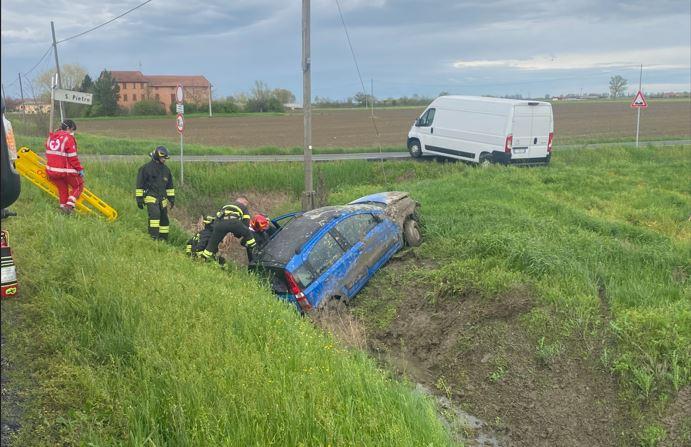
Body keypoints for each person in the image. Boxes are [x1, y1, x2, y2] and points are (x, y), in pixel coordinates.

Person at [135, 146, 175, 240]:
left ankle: (164, 240)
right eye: (162, 158)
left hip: (162, 200)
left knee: (164, 221)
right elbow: (139, 185)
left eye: (165, 158)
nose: (164, 160)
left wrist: (172, 199)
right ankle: (153, 238)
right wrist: (139, 199)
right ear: (157, 156)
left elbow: (170, 187)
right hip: (151, 197)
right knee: (155, 216)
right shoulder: (145, 168)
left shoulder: (166, 170)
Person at [200, 197, 256, 263]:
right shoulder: (243, 206)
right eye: (246, 204)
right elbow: (246, 221)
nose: (246, 205)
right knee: (247, 233)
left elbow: (217, 218)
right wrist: (239, 233)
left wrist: (216, 232)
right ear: (243, 202)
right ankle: (255, 249)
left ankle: (202, 259)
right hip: (234, 222)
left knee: (211, 245)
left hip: (220, 224)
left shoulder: (226, 206)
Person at [45, 119, 84, 214]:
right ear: (67, 128)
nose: (72, 132)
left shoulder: (51, 137)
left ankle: (63, 210)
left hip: (51, 171)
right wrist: (79, 169)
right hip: (64, 171)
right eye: (72, 130)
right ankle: (69, 206)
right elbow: (72, 157)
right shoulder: (68, 138)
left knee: (63, 189)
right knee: (78, 186)